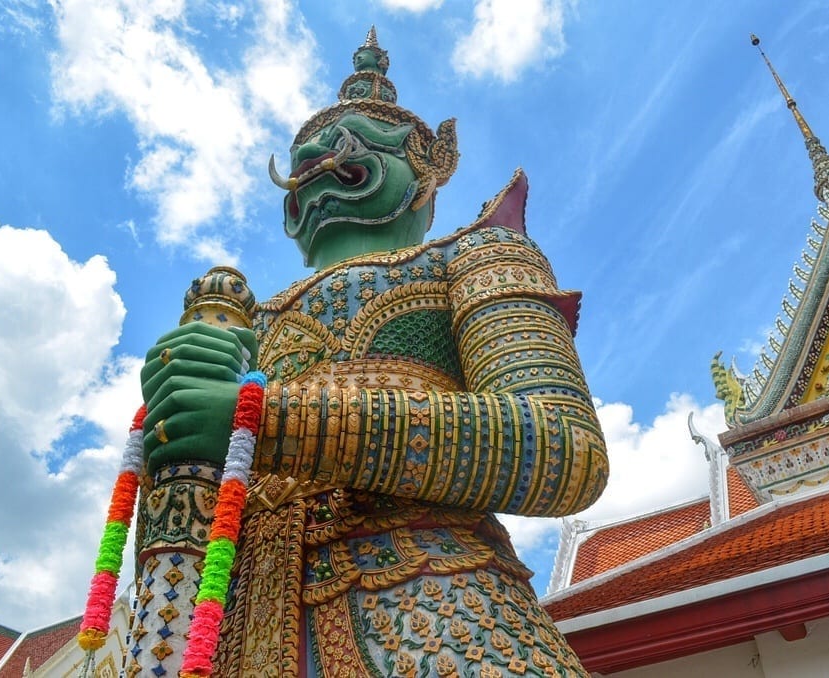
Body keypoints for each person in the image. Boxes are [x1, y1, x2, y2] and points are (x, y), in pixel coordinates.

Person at [135, 28, 608, 677]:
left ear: (427, 170)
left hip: (437, 612)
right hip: (236, 632)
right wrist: (174, 436)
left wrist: (265, 422)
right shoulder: (244, 324)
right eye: (305, 160)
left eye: (351, 149)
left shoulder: (476, 255)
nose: (322, 165)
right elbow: (184, 533)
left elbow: (560, 447)